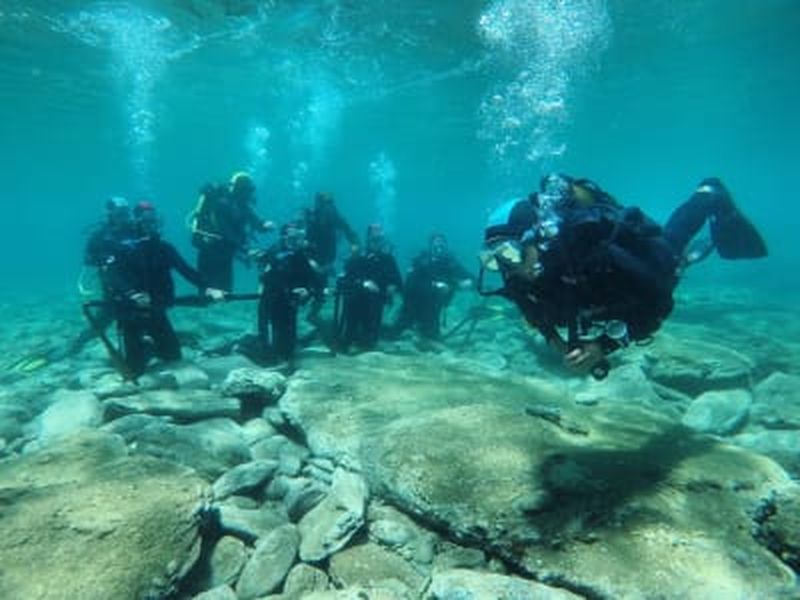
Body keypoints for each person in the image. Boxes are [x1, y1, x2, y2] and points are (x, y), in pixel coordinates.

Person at [479, 174, 768, 378]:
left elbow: (657, 307)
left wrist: (603, 346)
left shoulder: (593, 254)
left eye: (511, 253)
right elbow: (532, 310)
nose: (506, 267)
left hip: (651, 270)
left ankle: (708, 195)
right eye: (493, 258)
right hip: (602, 294)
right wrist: (555, 340)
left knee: (671, 253)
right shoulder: (520, 271)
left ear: (540, 240)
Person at [108, 201, 224, 377]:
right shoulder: (124, 249)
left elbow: (186, 270)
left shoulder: (165, 248)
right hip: (131, 314)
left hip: (157, 310)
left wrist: (208, 287)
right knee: (133, 371)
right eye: (146, 222)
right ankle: (143, 346)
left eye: (154, 222)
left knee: (173, 357)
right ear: (137, 223)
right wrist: (132, 294)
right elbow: (114, 275)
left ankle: (151, 345)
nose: (151, 226)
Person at [70, 197, 139, 355]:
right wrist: (104, 259)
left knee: (143, 318)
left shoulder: (135, 230)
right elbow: (88, 259)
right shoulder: (99, 235)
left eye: (125, 213)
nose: (123, 217)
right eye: (119, 213)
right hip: (113, 288)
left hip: (138, 283)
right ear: (110, 214)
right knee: (103, 322)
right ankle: (79, 341)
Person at [255, 222, 324, 366]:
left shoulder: (300, 254)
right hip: (272, 298)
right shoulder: (275, 251)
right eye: (291, 237)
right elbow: (267, 275)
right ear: (284, 237)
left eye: (297, 237)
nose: (294, 241)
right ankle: (269, 358)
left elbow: (312, 277)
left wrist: (309, 291)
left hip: (289, 301)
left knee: (288, 339)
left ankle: (285, 357)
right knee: (269, 332)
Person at [190, 171, 274, 292]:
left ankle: (211, 301)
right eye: (245, 189)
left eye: (248, 190)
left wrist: (263, 225)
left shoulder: (242, 204)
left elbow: (254, 220)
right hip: (210, 246)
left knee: (225, 290)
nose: (247, 194)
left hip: (225, 250)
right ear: (237, 188)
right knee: (207, 288)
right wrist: (244, 248)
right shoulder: (221, 202)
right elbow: (223, 229)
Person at [393, 232, 474, 340]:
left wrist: (465, 283)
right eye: (436, 245)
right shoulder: (420, 261)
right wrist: (435, 285)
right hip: (414, 304)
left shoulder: (450, 262)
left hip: (434, 307)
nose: (439, 248)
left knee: (431, 336)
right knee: (394, 333)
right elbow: (410, 284)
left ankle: (422, 331)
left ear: (445, 246)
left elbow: (471, 278)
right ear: (430, 246)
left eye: (442, 245)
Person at [335, 224, 403, 352]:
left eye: (379, 240)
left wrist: (393, 286)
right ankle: (349, 336)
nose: (376, 243)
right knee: (350, 335)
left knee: (370, 340)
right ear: (368, 240)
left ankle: (369, 336)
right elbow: (345, 279)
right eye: (373, 240)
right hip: (357, 300)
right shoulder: (358, 256)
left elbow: (399, 282)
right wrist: (363, 283)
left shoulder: (389, 259)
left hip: (377, 302)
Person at [302, 192, 360, 326]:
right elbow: (297, 238)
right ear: (318, 204)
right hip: (310, 260)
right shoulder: (311, 216)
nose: (328, 208)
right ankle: (300, 313)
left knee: (321, 291)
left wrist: (355, 244)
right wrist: (309, 260)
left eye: (330, 204)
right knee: (305, 287)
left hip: (325, 261)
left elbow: (349, 231)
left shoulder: (334, 216)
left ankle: (312, 315)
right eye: (325, 204)